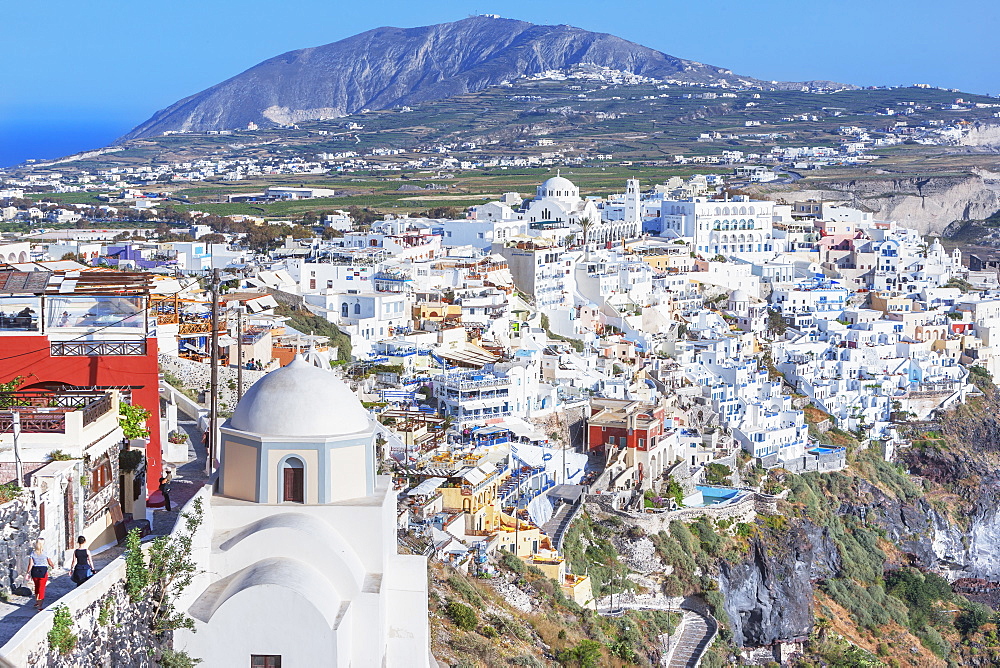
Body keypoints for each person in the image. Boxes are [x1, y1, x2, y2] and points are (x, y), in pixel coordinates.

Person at [25, 539, 55, 611]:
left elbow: (30, 564)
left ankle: (37, 602)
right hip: (43, 571)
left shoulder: (33, 553)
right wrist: (53, 566)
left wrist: (27, 573)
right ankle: (40, 606)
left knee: (37, 586)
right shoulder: (45, 553)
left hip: (35, 571)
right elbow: (50, 562)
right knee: (41, 588)